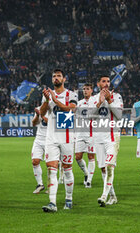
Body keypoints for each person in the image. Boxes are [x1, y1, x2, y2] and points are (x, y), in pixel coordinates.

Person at [40, 69, 78, 212]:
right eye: (54, 76)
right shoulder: (47, 95)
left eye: (58, 76)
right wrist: (46, 101)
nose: (56, 78)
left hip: (67, 137)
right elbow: (42, 113)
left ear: (64, 79)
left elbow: (70, 110)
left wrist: (55, 100)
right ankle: (52, 203)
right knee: (51, 170)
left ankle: (69, 199)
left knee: (67, 170)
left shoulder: (71, 94)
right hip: (51, 138)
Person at [90, 75, 123, 207]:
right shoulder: (93, 98)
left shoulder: (117, 97)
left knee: (109, 166)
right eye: (103, 81)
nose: (106, 84)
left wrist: (109, 101)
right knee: (103, 169)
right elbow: (88, 117)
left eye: (108, 81)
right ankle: (113, 196)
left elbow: (119, 116)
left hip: (112, 137)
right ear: (98, 84)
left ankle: (104, 195)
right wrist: (99, 102)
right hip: (98, 138)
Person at [75, 83, 96, 188]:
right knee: (78, 157)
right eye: (83, 89)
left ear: (91, 90)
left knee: (91, 156)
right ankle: (87, 174)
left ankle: (89, 181)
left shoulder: (95, 102)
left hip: (91, 134)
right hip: (79, 133)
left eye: (87, 89)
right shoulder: (79, 103)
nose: (85, 91)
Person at [31, 107, 48, 194]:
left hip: (50, 139)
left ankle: (51, 185)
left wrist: (42, 115)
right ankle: (40, 184)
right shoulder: (39, 108)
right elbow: (34, 123)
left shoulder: (55, 108)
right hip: (39, 139)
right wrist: (37, 115)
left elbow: (53, 124)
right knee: (35, 161)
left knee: (50, 164)